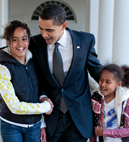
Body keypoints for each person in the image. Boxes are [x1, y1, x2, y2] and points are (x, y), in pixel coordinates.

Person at [29, 3, 103, 142]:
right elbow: (33, 79)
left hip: (78, 117)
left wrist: (119, 90)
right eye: (41, 28)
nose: (44, 34)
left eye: (49, 30)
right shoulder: (35, 43)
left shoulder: (85, 40)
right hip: (51, 116)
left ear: (64, 25)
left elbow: (97, 71)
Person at [0, 20, 52, 142]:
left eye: (24, 38)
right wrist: (44, 107)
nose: (20, 43)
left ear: (29, 40)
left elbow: (37, 88)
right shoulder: (2, 68)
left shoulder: (33, 60)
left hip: (34, 126)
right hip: (12, 125)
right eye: (15, 40)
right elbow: (14, 106)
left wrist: (42, 122)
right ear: (8, 42)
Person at [91, 64, 129, 142]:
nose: (103, 84)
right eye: (101, 80)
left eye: (108, 82)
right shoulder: (95, 98)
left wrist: (103, 132)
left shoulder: (125, 101)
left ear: (118, 84)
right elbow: (93, 126)